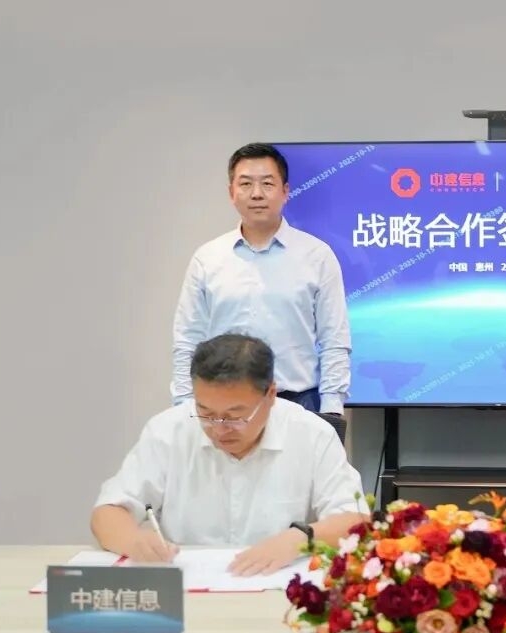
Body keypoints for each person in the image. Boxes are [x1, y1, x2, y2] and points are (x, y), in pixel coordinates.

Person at [92, 334, 368, 575]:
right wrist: (134, 541)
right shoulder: (168, 430)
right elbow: (107, 513)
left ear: (271, 394)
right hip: (190, 591)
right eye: (206, 413)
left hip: (279, 591)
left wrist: (299, 538)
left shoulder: (313, 434)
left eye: (235, 416)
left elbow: (356, 522)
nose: (219, 429)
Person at [171, 142, 350, 414]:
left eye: (267, 184)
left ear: (285, 192)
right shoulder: (207, 259)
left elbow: (334, 340)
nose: (256, 194)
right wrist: (185, 408)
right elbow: (188, 340)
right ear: (231, 193)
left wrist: (332, 410)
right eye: (245, 184)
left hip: (299, 403)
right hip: (224, 406)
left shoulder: (317, 256)